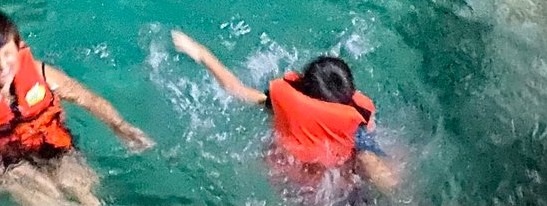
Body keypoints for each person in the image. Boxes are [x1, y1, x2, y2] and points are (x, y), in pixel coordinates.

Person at [0, 10, 154, 206]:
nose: (3, 66)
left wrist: (120, 126)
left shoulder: (39, 74)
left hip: (51, 149)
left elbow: (86, 98)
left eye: (8, 54)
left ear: (19, 48)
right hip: (4, 167)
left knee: (88, 197)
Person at [170, 30, 400, 198]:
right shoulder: (355, 123)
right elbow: (376, 168)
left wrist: (199, 51)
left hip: (305, 191)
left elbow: (236, 90)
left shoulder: (279, 103)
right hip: (346, 189)